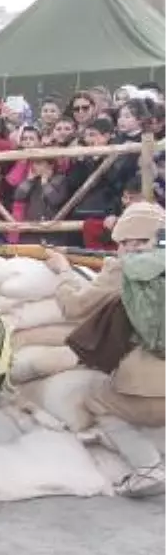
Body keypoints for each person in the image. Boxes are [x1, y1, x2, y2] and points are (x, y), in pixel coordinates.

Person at [47, 202, 166, 497]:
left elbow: (74, 307)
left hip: (152, 388)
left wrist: (63, 272)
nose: (130, 249)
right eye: (126, 244)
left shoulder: (123, 269)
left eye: (134, 242)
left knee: (97, 400)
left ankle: (148, 466)